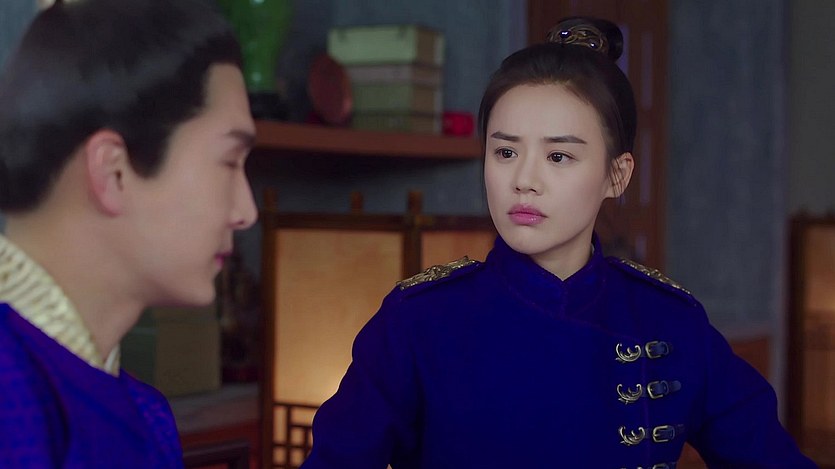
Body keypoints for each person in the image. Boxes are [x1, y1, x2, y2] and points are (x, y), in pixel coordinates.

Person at [301, 17, 815, 469]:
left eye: (558, 157)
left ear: (617, 175)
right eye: (505, 152)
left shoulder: (668, 320)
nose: (524, 181)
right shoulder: (417, 322)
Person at [0, 0, 257, 467]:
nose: (246, 212)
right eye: (228, 163)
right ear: (113, 172)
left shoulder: (147, 413)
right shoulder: (11, 392)